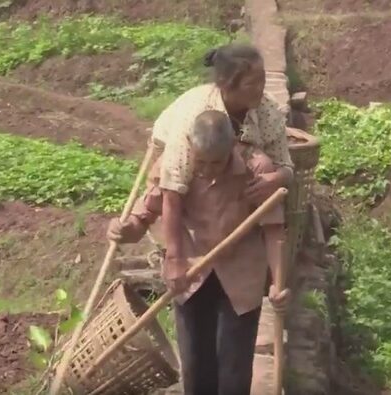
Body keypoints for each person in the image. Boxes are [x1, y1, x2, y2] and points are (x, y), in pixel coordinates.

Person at [108, 110, 290, 395]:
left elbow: (274, 228)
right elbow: (143, 217)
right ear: (190, 149)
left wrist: (279, 283)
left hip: (241, 278)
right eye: (200, 162)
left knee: (234, 371)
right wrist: (124, 229)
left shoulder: (256, 168)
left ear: (232, 148)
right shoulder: (176, 164)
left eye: (215, 163)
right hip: (190, 275)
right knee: (195, 369)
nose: (206, 171)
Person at [150, 43, 294, 298]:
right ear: (226, 84)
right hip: (191, 181)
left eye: (262, 80)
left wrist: (276, 179)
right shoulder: (193, 119)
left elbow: (287, 168)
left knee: (264, 167)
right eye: (252, 83)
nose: (261, 88)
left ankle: (252, 270)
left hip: (238, 180)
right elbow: (171, 190)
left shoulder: (267, 111)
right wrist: (174, 259)